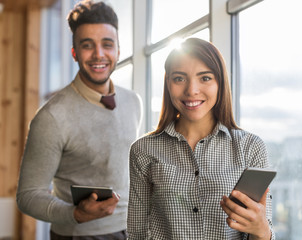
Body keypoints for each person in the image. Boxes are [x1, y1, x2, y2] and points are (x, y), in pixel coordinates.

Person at [16, 0, 142, 238]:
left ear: (118, 50)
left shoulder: (133, 102)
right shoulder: (52, 117)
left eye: (107, 44)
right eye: (87, 45)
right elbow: (28, 195)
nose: (99, 54)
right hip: (78, 235)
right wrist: (76, 214)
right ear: (74, 52)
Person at [127, 38, 275, 239]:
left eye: (205, 78)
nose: (191, 90)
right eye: (179, 78)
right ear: (168, 83)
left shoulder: (250, 147)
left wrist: (261, 230)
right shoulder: (143, 150)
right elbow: (137, 233)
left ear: (219, 83)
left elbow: (262, 230)